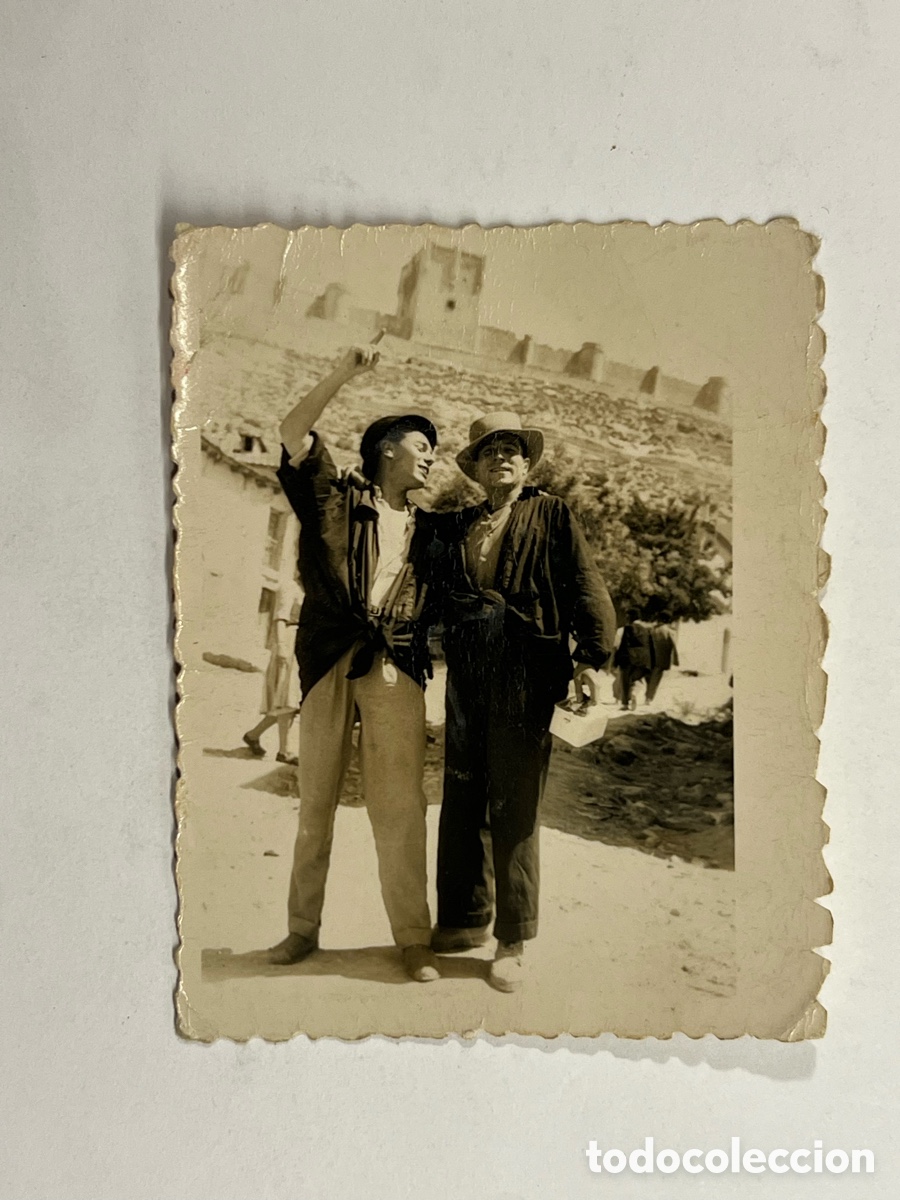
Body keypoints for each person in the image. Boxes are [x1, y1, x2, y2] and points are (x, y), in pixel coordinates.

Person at [266, 339, 444, 983]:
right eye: (423, 446)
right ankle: (300, 930)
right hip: (327, 660)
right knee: (314, 802)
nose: (432, 459)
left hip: (396, 667)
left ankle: (413, 939)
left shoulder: (432, 531)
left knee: (399, 806)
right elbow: (292, 431)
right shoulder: (335, 499)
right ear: (388, 448)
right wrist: (343, 369)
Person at [433, 412, 617, 992]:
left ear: (526, 462)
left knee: (514, 804)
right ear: (476, 467)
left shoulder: (551, 514)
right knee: (462, 796)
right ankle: (464, 921)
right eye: (489, 452)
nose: (501, 459)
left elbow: (587, 586)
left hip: (526, 675)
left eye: (512, 450)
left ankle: (512, 937)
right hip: (467, 675)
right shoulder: (459, 523)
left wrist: (592, 657)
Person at [243, 579, 303, 765]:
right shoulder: (289, 586)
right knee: (287, 700)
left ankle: (253, 735)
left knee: (287, 700)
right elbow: (280, 618)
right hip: (288, 643)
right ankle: (284, 751)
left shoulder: (309, 587)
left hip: (302, 645)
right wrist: (283, 648)